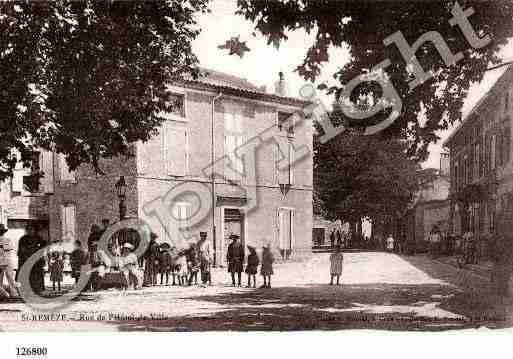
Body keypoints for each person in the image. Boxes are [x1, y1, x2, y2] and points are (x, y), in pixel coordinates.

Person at [17, 224, 46, 294]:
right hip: (26, 260)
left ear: (34, 230)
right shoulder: (23, 239)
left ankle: (38, 290)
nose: (30, 231)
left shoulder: (39, 238)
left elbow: (42, 250)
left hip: (37, 262)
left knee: (37, 276)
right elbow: (21, 251)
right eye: (28, 229)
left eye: (31, 229)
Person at [0, 224, 18, 299]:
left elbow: (9, 248)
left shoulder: (8, 239)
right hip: (4, 260)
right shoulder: (8, 239)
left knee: (10, 278)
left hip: (7, 260)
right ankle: (6, 293)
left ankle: (12, 293)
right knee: (6, 278)